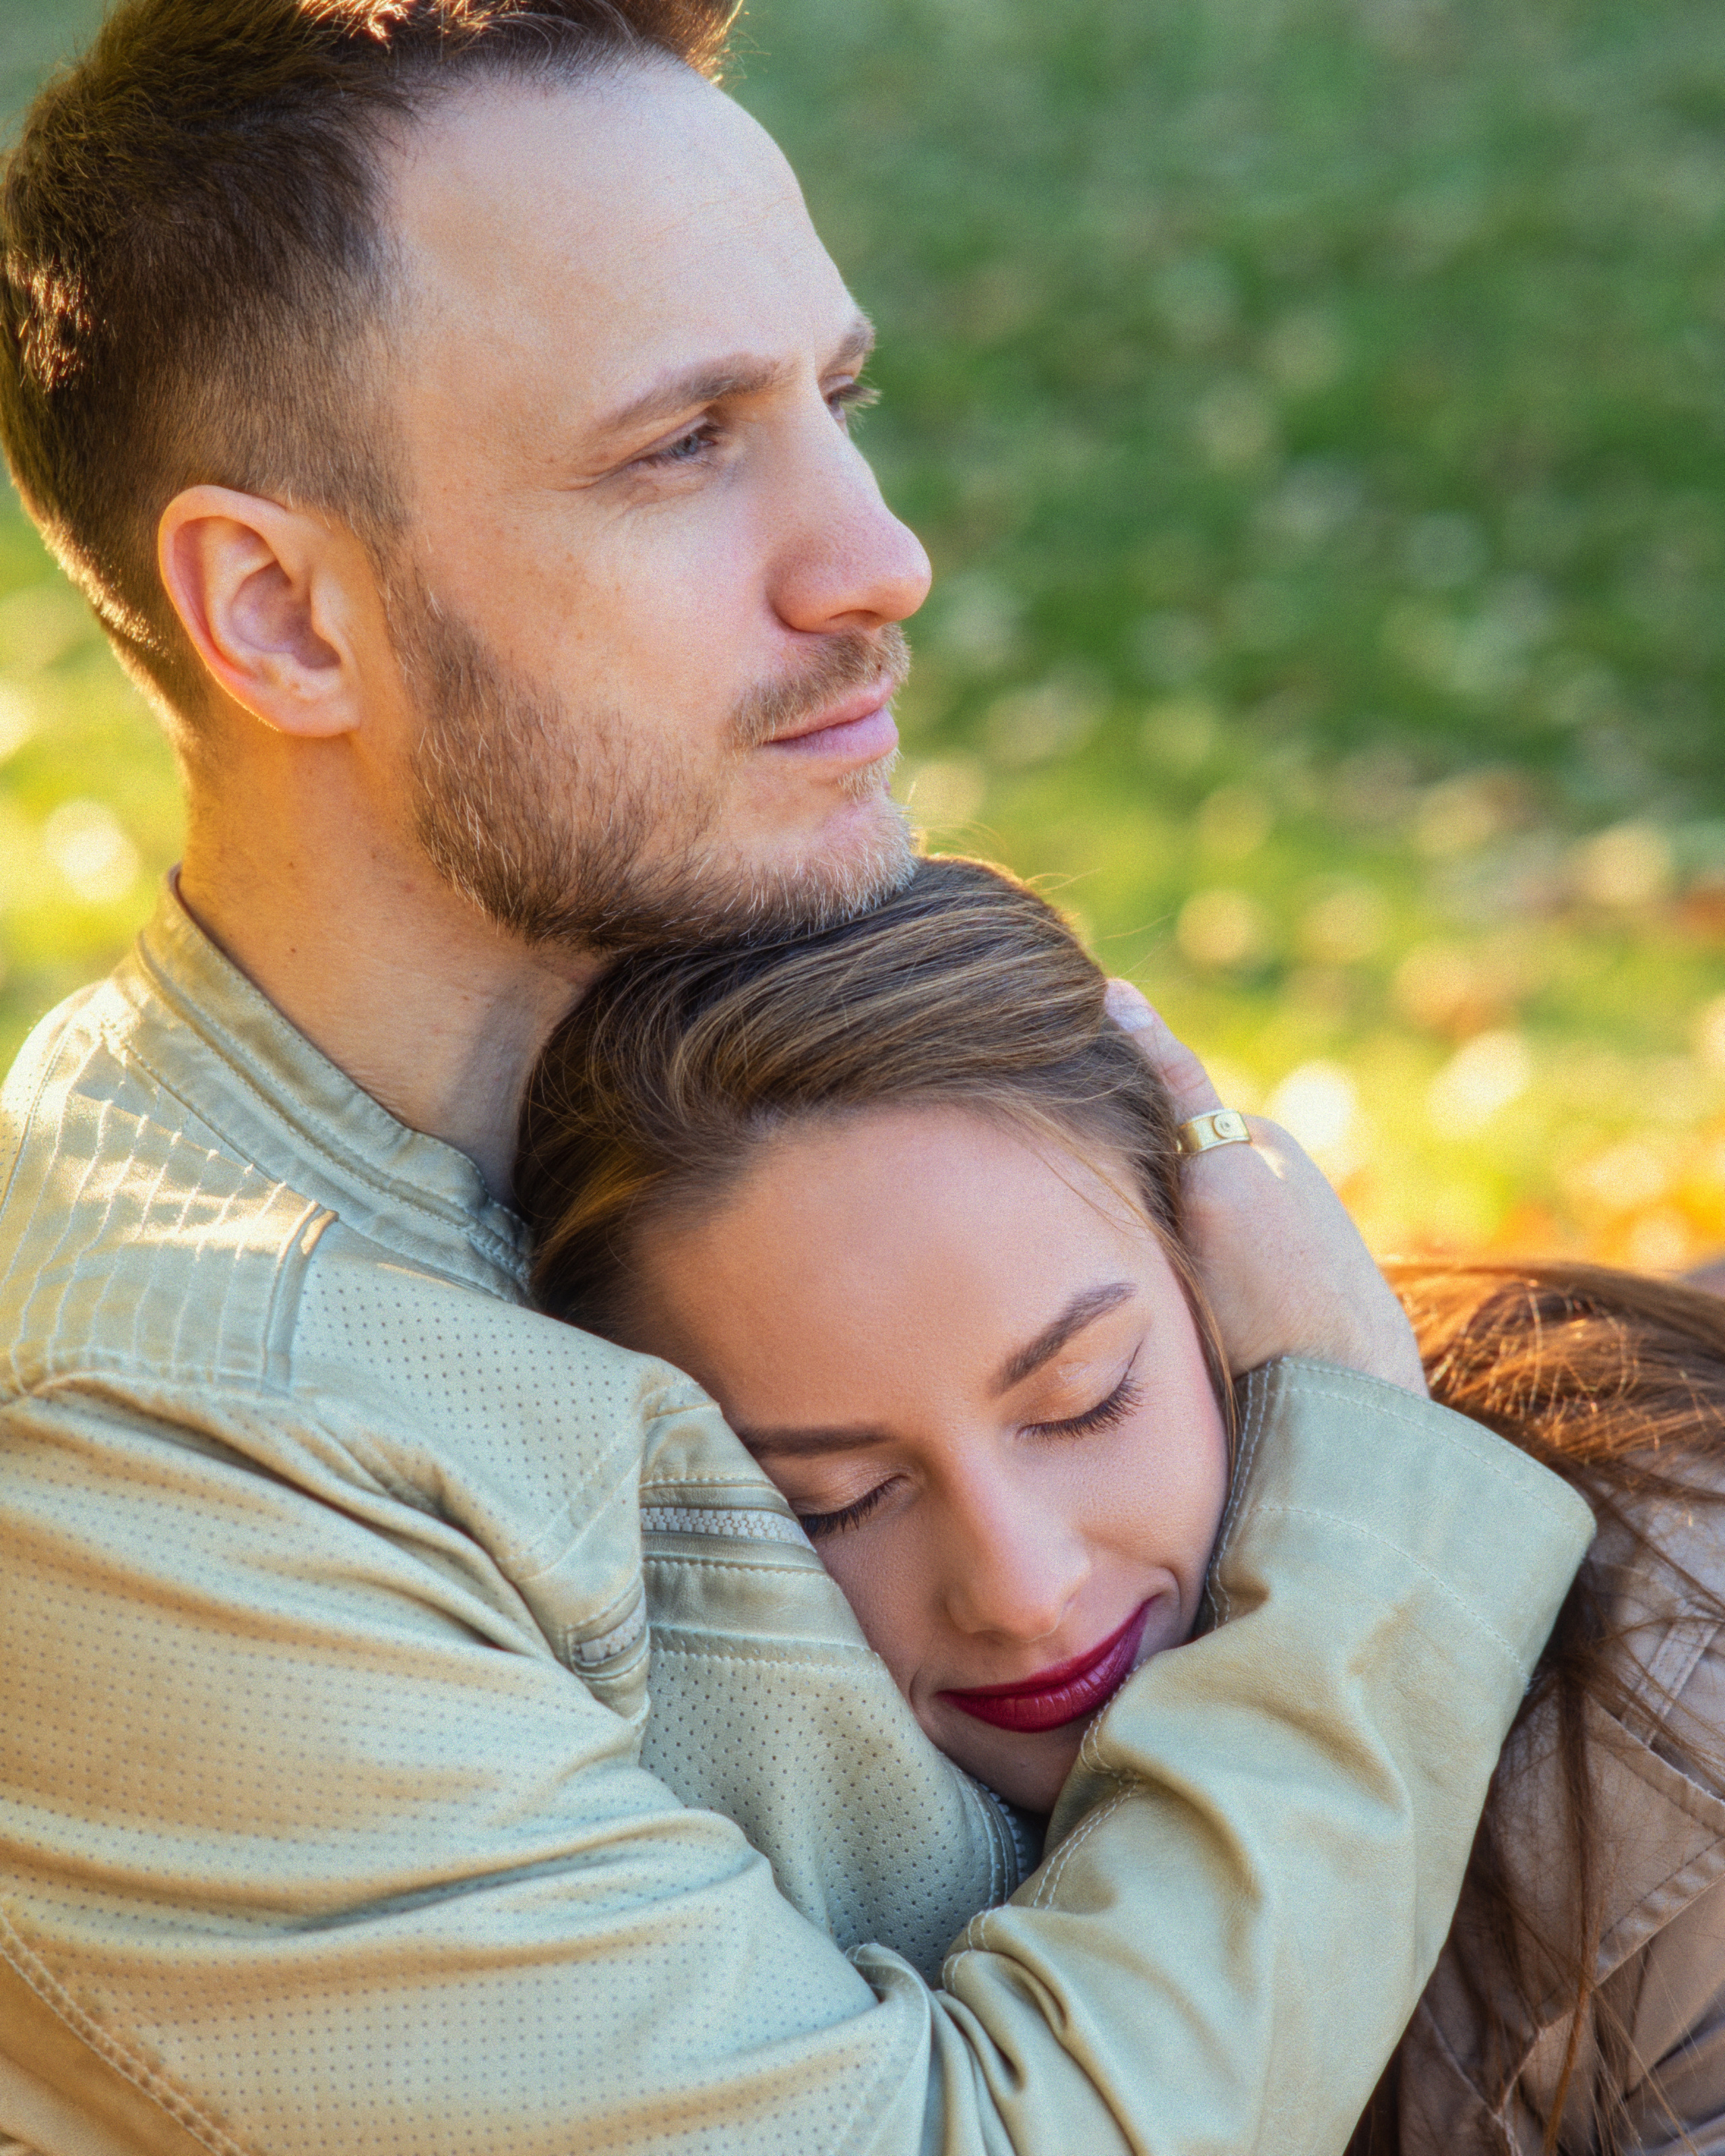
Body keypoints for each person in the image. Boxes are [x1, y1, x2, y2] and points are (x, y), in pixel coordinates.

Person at [0, 4, 1594, 2153]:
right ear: (280, 616)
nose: (877, 559)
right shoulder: (149, 1462)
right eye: (679, 447)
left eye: (834, 400)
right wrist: (1369, 1528)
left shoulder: (755, 1113)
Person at [517, 854, 1725, 2155]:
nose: (1022, 1588)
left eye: (1084, 1402)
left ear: (1222, 1276)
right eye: (833, 1501)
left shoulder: (1674, 1696)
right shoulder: (600, 1837)